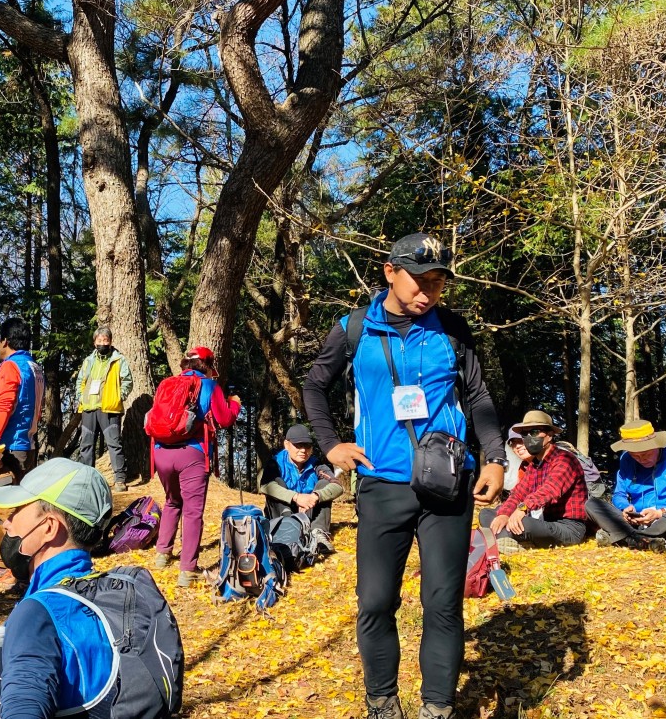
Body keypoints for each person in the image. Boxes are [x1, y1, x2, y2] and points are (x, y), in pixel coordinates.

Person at [302, 233, 506, 719]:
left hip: (448, 484)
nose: (428, 292)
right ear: (390, 272)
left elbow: (478, 396)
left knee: (442, 603)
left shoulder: (452, 330)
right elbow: (314, 386)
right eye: (419, 280)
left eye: (437, 282)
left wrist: (496, 457)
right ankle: (382, 702)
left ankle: (438, 708)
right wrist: (331, 445)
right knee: (375, 602)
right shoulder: (354, 329)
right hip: (382, 484)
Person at [0, 458, 117, 716]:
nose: (7, 523)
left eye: (17, 510)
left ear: (48, 527)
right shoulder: (109, 596)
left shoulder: (39, 614)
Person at [152, 346, 241, 587]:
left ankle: (162, 554)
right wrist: (234, 404)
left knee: (172, 501)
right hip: (192, 453)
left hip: (161, 453)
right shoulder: (210, 386)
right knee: (192, 511)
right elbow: (224, 419)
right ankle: (187, 570)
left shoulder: (167, 384)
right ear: (208, 366)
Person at [0, 317, 46, 587]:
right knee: (21, 506)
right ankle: (23, 566)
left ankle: (6, 567)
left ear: (5, 341)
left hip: (8, 447)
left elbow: (4, 405)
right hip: (27, 445)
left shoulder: (10, 366)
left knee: (0, 510)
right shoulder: (35, 367)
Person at [479, 411, 589, 553]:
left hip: (569, 527)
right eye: (525, 434)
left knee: (523, 522)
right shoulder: (534, 465)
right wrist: (504, 514)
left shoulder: (565, 459)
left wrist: (522, 508)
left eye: (534, 432)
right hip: (544, 521)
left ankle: (502, 537)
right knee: (487, 514)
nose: (529, 438)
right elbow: (518, 494)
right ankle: (506, 539)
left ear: (550, 435)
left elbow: (550, 490)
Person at [588, 419, 666, 551]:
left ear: (657, 445)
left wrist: (660, 513)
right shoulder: (626, 459)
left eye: (646, 454)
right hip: (637, 522)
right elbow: (619, 495)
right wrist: (625, 507)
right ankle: (642, 540)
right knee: (592, 504)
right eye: (635, 456)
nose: (642, 459)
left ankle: (628, 538)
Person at [258, 423, 342, 551]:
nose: (303, 450)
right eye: (298, 445)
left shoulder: (316, 465)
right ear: (287, 444)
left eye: (307, 445)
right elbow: (265, 486)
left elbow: (337, 486)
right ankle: (286, 530)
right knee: (276, 483)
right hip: (282, 512)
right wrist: (296, 497)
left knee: (324, 485)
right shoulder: (275, 463)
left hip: (309, 509)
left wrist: (315, 496)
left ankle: (318, 533)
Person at [75, 326, 134, 492]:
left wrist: (118, 397)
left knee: (114, 444)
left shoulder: (118, 360)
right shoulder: (88, 361)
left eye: (105, 340)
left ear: (110, 342)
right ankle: (87, 479)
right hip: (89, 407)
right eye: (99, 340)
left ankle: (120, 479)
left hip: (109, 408)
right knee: (86, 445)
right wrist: (81, 397)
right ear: (94, 343)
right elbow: (80, 381)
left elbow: (127, 381)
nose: (102, 343)